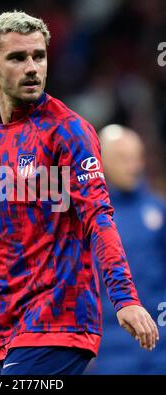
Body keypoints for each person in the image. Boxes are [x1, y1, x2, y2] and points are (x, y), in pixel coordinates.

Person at [0, 11, 159, 375]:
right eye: (17, 57)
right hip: (7, 327)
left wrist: (125, 298)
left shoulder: (69, 131)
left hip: (59, 322)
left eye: (39, 56)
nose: (32, 67)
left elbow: (99, 217)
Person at [87, 125, 166, 374]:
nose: (133, 166)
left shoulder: (158, 212)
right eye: (123, 158)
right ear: (103, 162)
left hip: (161, 345)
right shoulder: (89, 218)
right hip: (111, 349)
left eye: (136, 157)